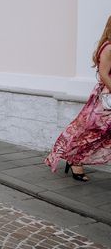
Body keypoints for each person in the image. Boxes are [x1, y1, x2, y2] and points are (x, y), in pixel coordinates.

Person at [45, 16, 111, 181]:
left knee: (96, 133)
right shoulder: (109, 47)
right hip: (107, 98)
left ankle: (74, 158)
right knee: (91, 132)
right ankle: (74, 159)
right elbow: (104, 74)